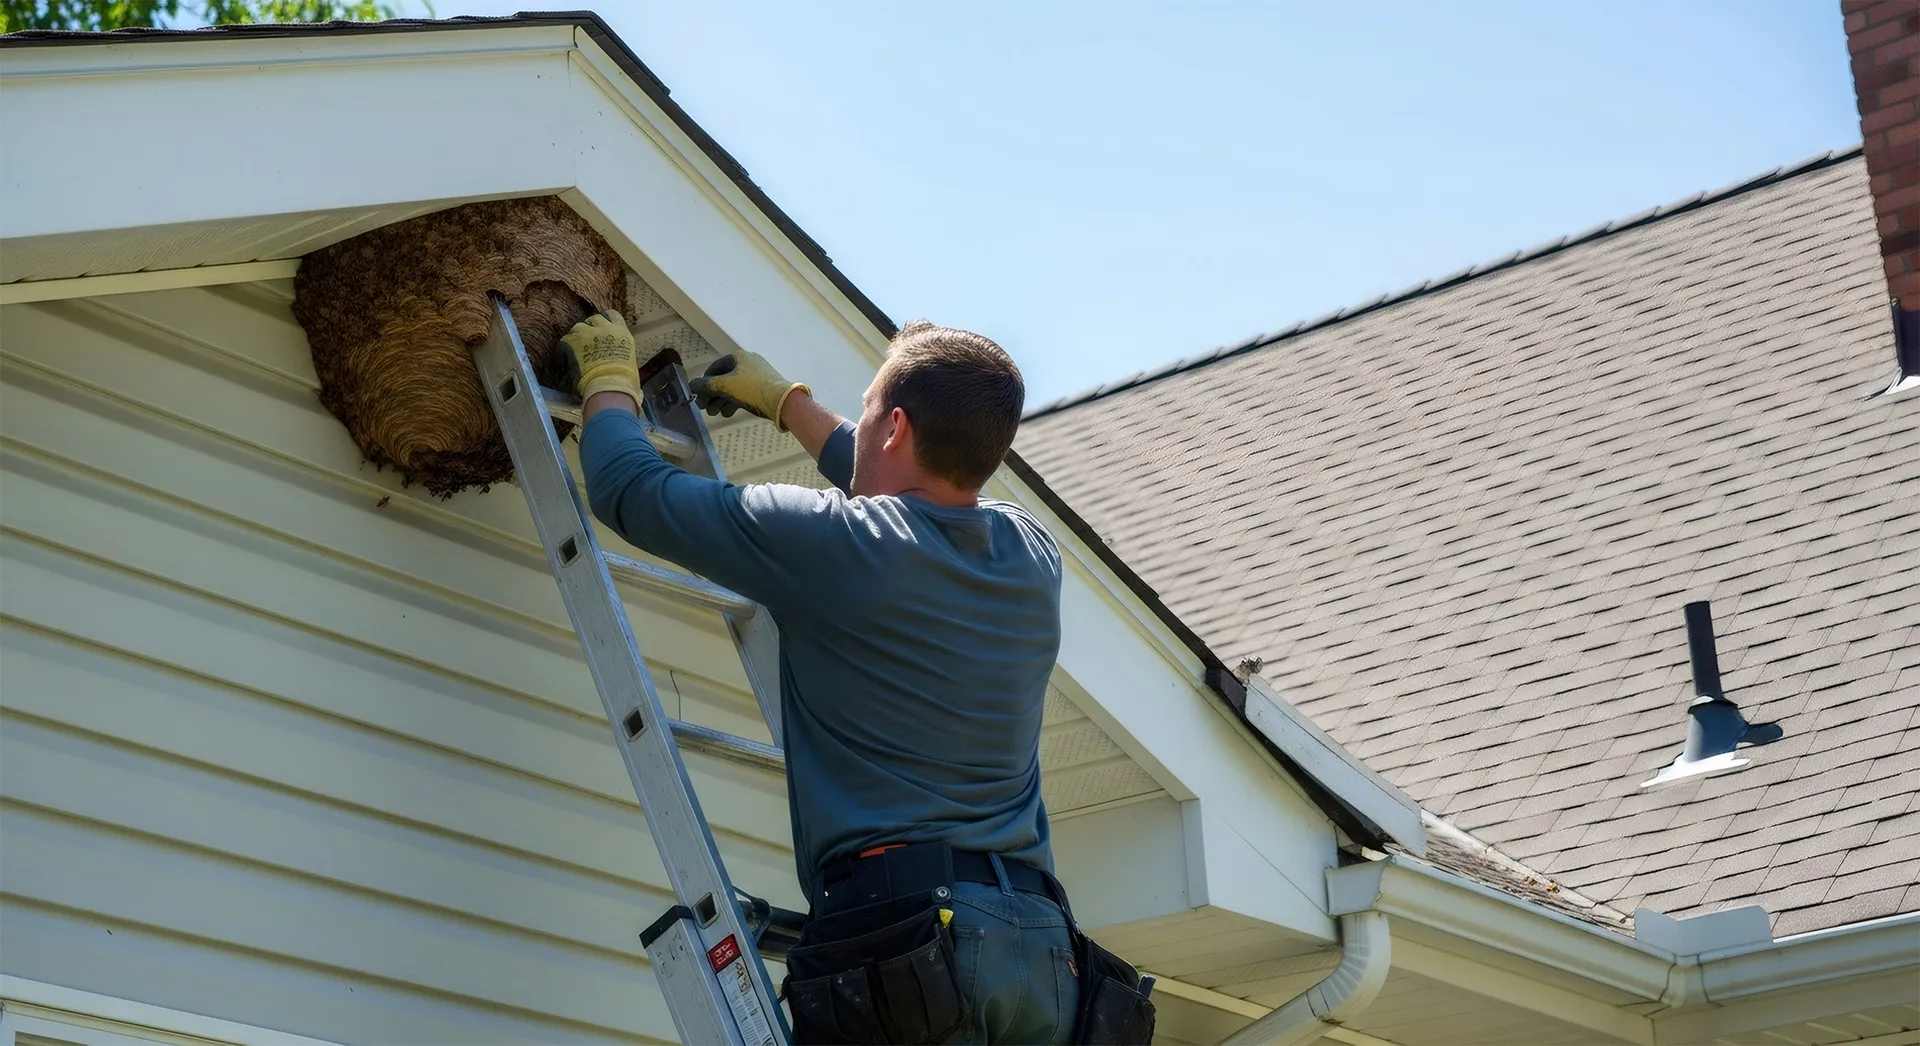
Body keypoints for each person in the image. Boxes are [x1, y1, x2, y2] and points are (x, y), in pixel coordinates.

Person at [560, 310, 1097, 1045]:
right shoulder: (1032, 554)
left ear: (897, 427)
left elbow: (629, 489)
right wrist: (789, 405)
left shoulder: (835, 542)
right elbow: (896, 471)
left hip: (904, 939)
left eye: (871, 409)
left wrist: (607, 378)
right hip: (1041, 951)